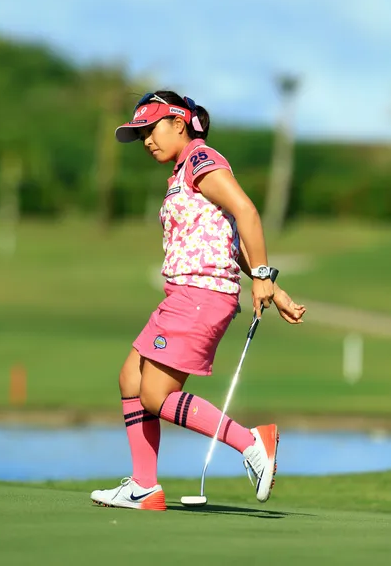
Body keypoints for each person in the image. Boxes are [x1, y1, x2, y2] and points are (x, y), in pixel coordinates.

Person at [91, 91, 306, 511]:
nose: (146, 141)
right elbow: (225, 239)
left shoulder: (200, 160)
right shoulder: (181, 172)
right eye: (140, 136)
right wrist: (271, 286)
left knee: (155, 395)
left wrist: (264, 275)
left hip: (200, 295)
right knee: (131, 378)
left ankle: (251, 442)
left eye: (150, 130)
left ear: (179, 124)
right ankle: (143, 486)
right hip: (184, 293)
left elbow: (246, 211)